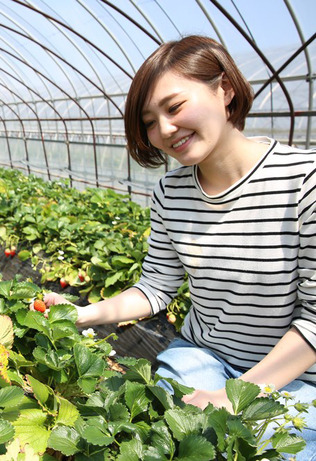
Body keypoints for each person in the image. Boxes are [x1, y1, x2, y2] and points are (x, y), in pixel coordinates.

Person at [41, 35, 316, 458]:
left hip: (294, 380)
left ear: (224, 90)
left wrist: (236, 397)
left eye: (174, 107)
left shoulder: (304, 182)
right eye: (149, 121)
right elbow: (156, 287)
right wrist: (81, 315)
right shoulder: (171, 192)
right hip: (202, 359)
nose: (164, 130)